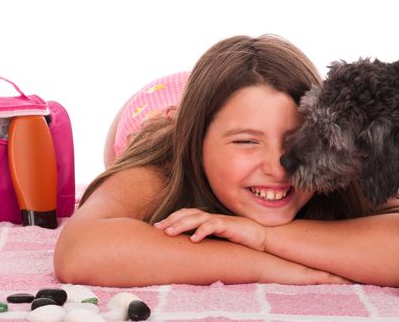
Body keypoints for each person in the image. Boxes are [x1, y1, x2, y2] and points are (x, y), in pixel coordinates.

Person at [54, 35, 399, 287]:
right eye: (247, 142)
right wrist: (265, 266)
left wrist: (263, 236)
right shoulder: (164, 163)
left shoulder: (330, 157)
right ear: (197, 144)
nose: (279, 167)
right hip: (154, 107)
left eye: (295, 138)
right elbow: (80, 252)